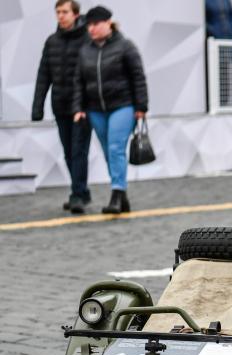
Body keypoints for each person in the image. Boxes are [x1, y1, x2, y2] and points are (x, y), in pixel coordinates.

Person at [72, 5, 147, 215]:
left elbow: (138, 76)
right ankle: (122, 196)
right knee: (108, 152)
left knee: (115, 148)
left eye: (96, 24)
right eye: (89, 25)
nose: (91, 29)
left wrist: (141, 106)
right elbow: (78, 82)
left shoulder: (125, 46)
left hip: (122, 106)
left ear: (108, 23)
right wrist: (78, 107)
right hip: (95, 109)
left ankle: (116, 195)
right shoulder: (85, 51)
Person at [32, 0, 91, 214]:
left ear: (76, 14)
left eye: (65, 12)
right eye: (58, 12)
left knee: (78, 151)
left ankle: (77, 194)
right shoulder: (52, 42)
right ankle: (82, 191)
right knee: (68, 152)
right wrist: (37, 106)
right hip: (60, 105)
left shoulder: (87, 39)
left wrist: (88, 103)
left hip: (82, 107)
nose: (60, 16)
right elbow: (43, 75)